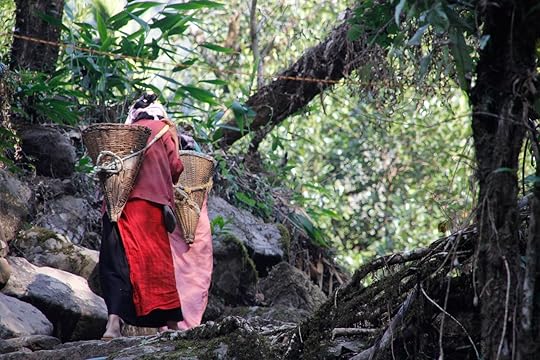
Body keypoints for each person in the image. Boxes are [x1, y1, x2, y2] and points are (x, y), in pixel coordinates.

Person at [99, 94, 183, 339]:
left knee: (116, 263)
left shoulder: (121, 134)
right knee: (156, 264)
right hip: (148, 207)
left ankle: (112, 326)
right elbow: (176, 167)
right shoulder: (163, 129)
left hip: (115, 206)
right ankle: (172, 326)